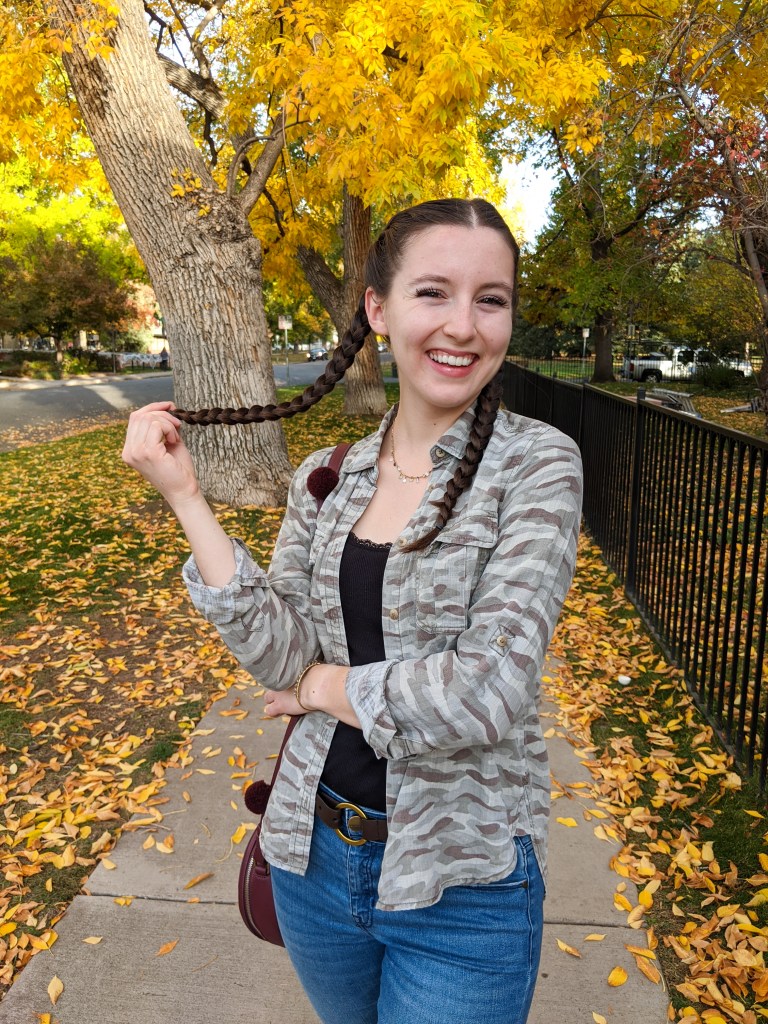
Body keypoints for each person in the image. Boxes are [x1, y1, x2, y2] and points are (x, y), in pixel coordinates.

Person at [121, 198, 583, 1024]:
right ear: (378, 308)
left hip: (463, 885)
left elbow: (486, 690)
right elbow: (278, 653)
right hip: (313, 858)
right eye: (433, 293)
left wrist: (324, 689)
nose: (464, 326)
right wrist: (187, 499)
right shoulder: (327, 477)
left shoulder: (537, 465)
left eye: (491, 299)